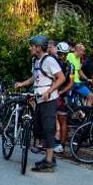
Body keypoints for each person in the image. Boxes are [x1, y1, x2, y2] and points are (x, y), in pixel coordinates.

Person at [27, 34, 66, 171]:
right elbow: (36, 77)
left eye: (32, 46)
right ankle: (49, 157)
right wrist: (23, 84)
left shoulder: (49, 60)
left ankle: (49, 162)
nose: (30, 48)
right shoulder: (37, 61)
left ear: (38, 47)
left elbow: (61, 78)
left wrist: (49, 91)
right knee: (38, 128)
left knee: (48, 129)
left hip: (48, 100)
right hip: (39, 99)